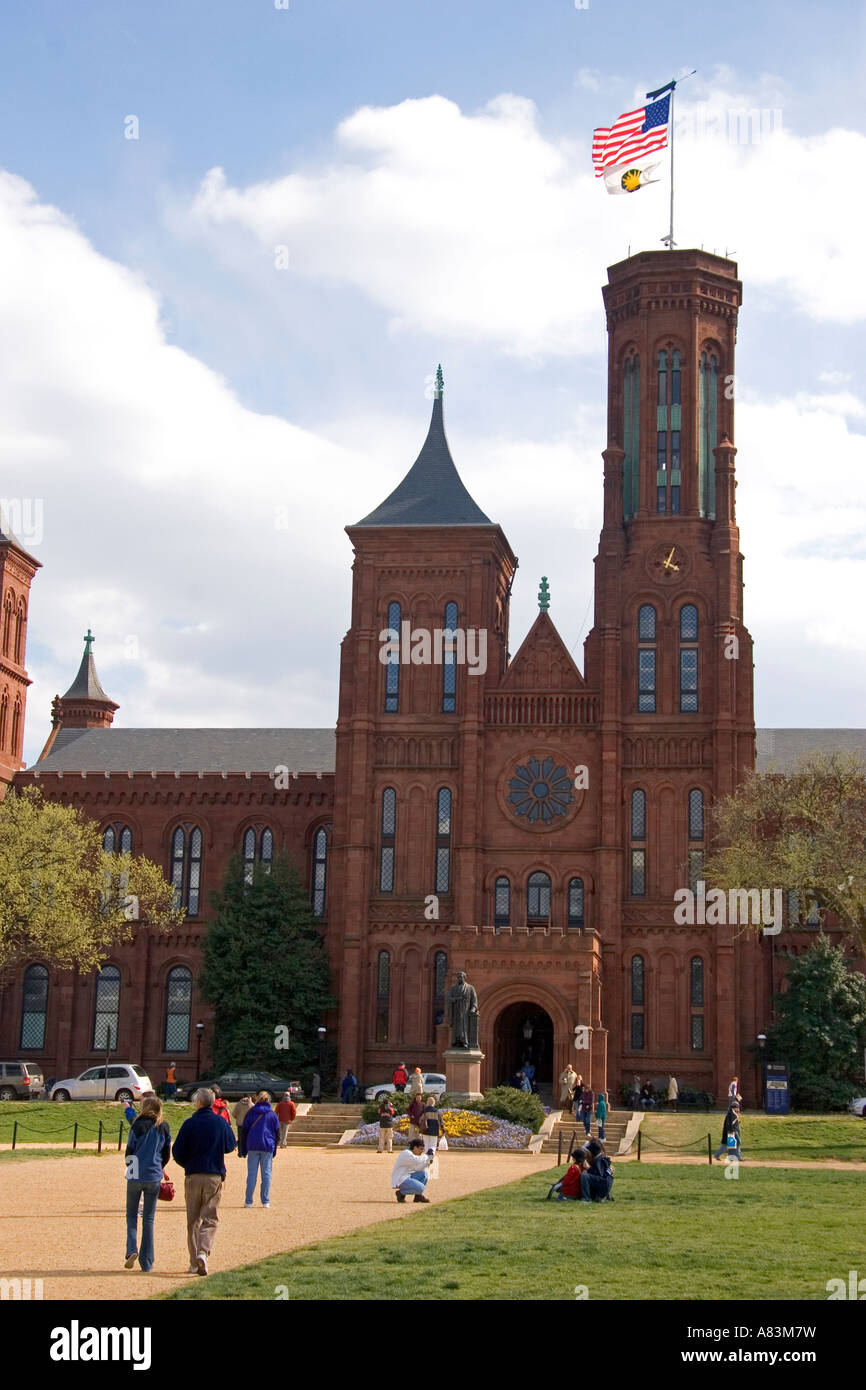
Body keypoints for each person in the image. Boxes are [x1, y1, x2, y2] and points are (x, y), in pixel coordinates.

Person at [171, 1087, 236, 1276]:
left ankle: (193, 1263)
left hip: (193, 1175)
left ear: (198, 1103)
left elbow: (177, 1152)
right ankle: (203, 1252)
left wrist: (188, 1165)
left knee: (193, 1220)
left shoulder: (189, 1123)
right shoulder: (220, 1122)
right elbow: (230, 1145)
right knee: (210, 1218)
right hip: (214, 1174)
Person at [124, 1095, 171, 1272]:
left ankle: (131, 1249)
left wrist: (130, 1167)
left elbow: (129, 1150)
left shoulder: (137, 1125)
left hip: (136, 1175)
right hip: (154, 1176)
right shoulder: (163, 1126)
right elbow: (167, 1152)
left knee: (131, 1215)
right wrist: (159, 1168)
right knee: (149, 1219)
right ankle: (147, 1262)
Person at [240, 1090, 280, 1207]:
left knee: (252, 1174)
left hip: (252, 1145)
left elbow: (244, 1131)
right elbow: (277, 1134)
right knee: (266, 1174)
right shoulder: (272, 1115)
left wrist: (243, 1148)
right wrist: (274, 1149)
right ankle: (265, 1201)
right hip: (267, 1145)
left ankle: (248, 1201)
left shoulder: (251, 1112)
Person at [391, 1137, 434, 1203]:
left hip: (407, 1176)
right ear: (415, 1147)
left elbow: (417, 1168)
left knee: (423, 1174)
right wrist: (427, 1155)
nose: (422, 1151)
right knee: (421, 1188)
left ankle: (418, 1196)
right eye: (420, 1149)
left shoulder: (412, 1154)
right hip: (400, 1179)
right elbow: (417, 1160)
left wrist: (427, 1162)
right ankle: (401, 1193)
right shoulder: (406, 1153)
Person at [420, 1095, 445, 1173]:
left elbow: (421, 1120)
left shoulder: (425, 1111)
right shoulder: (436, 1111)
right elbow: (440, 1122)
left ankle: (426, 1160)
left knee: (426, 1144)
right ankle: (431, 1155)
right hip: (434, 1131)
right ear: (434, 1103)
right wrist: (443, 1129)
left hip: (425, 1130)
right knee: (433, 1145)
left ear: (427, 1102)